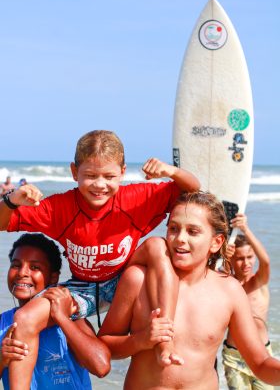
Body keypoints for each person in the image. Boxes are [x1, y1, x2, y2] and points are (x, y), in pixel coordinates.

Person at [0, 130, 200, 389]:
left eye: (109, 176)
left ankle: (166, 340)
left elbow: (193, 190)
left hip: (124, 279)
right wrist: (12, 200)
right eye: (90, 176)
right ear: (74, 172)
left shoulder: (136, 199)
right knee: (25, 319)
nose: (99, 184)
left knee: (155, 245)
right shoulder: (60, 208)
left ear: (123, 172)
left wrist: (171, 172)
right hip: (82, 290)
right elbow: (3, 222)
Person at [98, 191, 280, 390]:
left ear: (216, 242)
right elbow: (104, 346)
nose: (180, 238)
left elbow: (260, 363)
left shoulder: (230, 291)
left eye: (193, 231)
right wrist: (140, 340)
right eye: (174, 228)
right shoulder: (137, 279)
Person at [0, 233, 111, 389]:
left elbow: (101, 367)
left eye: (35, 267)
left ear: (53, 278)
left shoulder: (72, 317)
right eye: (16, 265)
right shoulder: (3, 324)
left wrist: (62, 318)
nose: (22, 273)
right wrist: (1, 360)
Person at [222, 213, 273, 389]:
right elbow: (209, 276)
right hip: (235, 355)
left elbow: (265, 261)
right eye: (240, 258)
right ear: (232, 260)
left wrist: (245, 229)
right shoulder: (228, 283)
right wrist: (223, 256)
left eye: (250, 257)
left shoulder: (259, 281)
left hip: (263, 352)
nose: (246, 263)